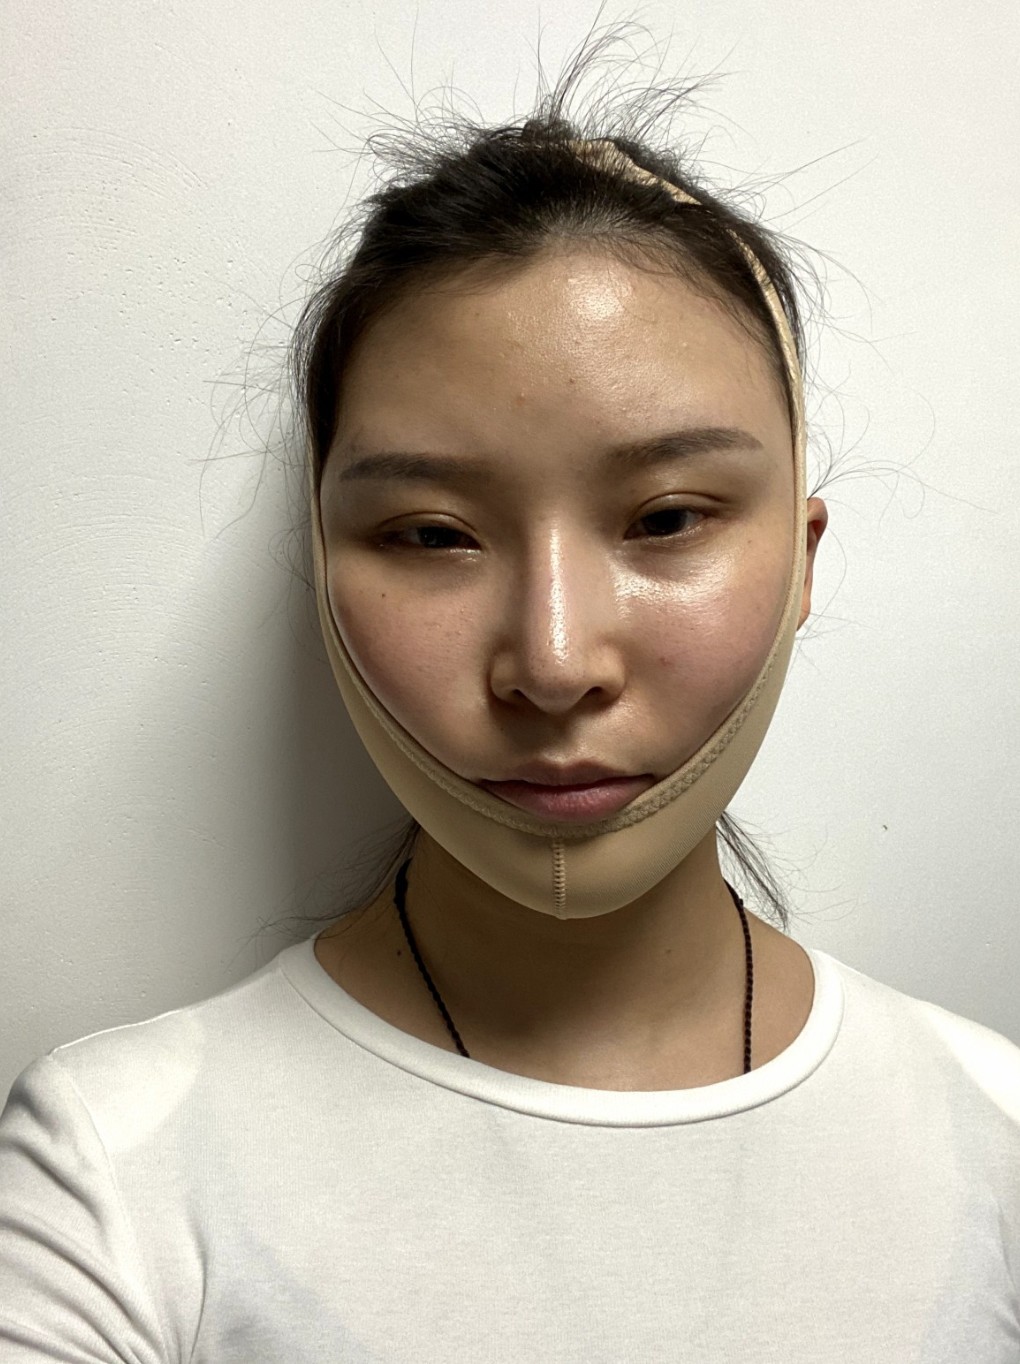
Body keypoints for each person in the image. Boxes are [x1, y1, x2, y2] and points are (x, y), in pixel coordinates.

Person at [1, 48, 1018, 1364]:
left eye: (666, 519)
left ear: (804, 558)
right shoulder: (113, 1174)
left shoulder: (993, 1135)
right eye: (432, 534)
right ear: (322, 567)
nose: (552, 659)